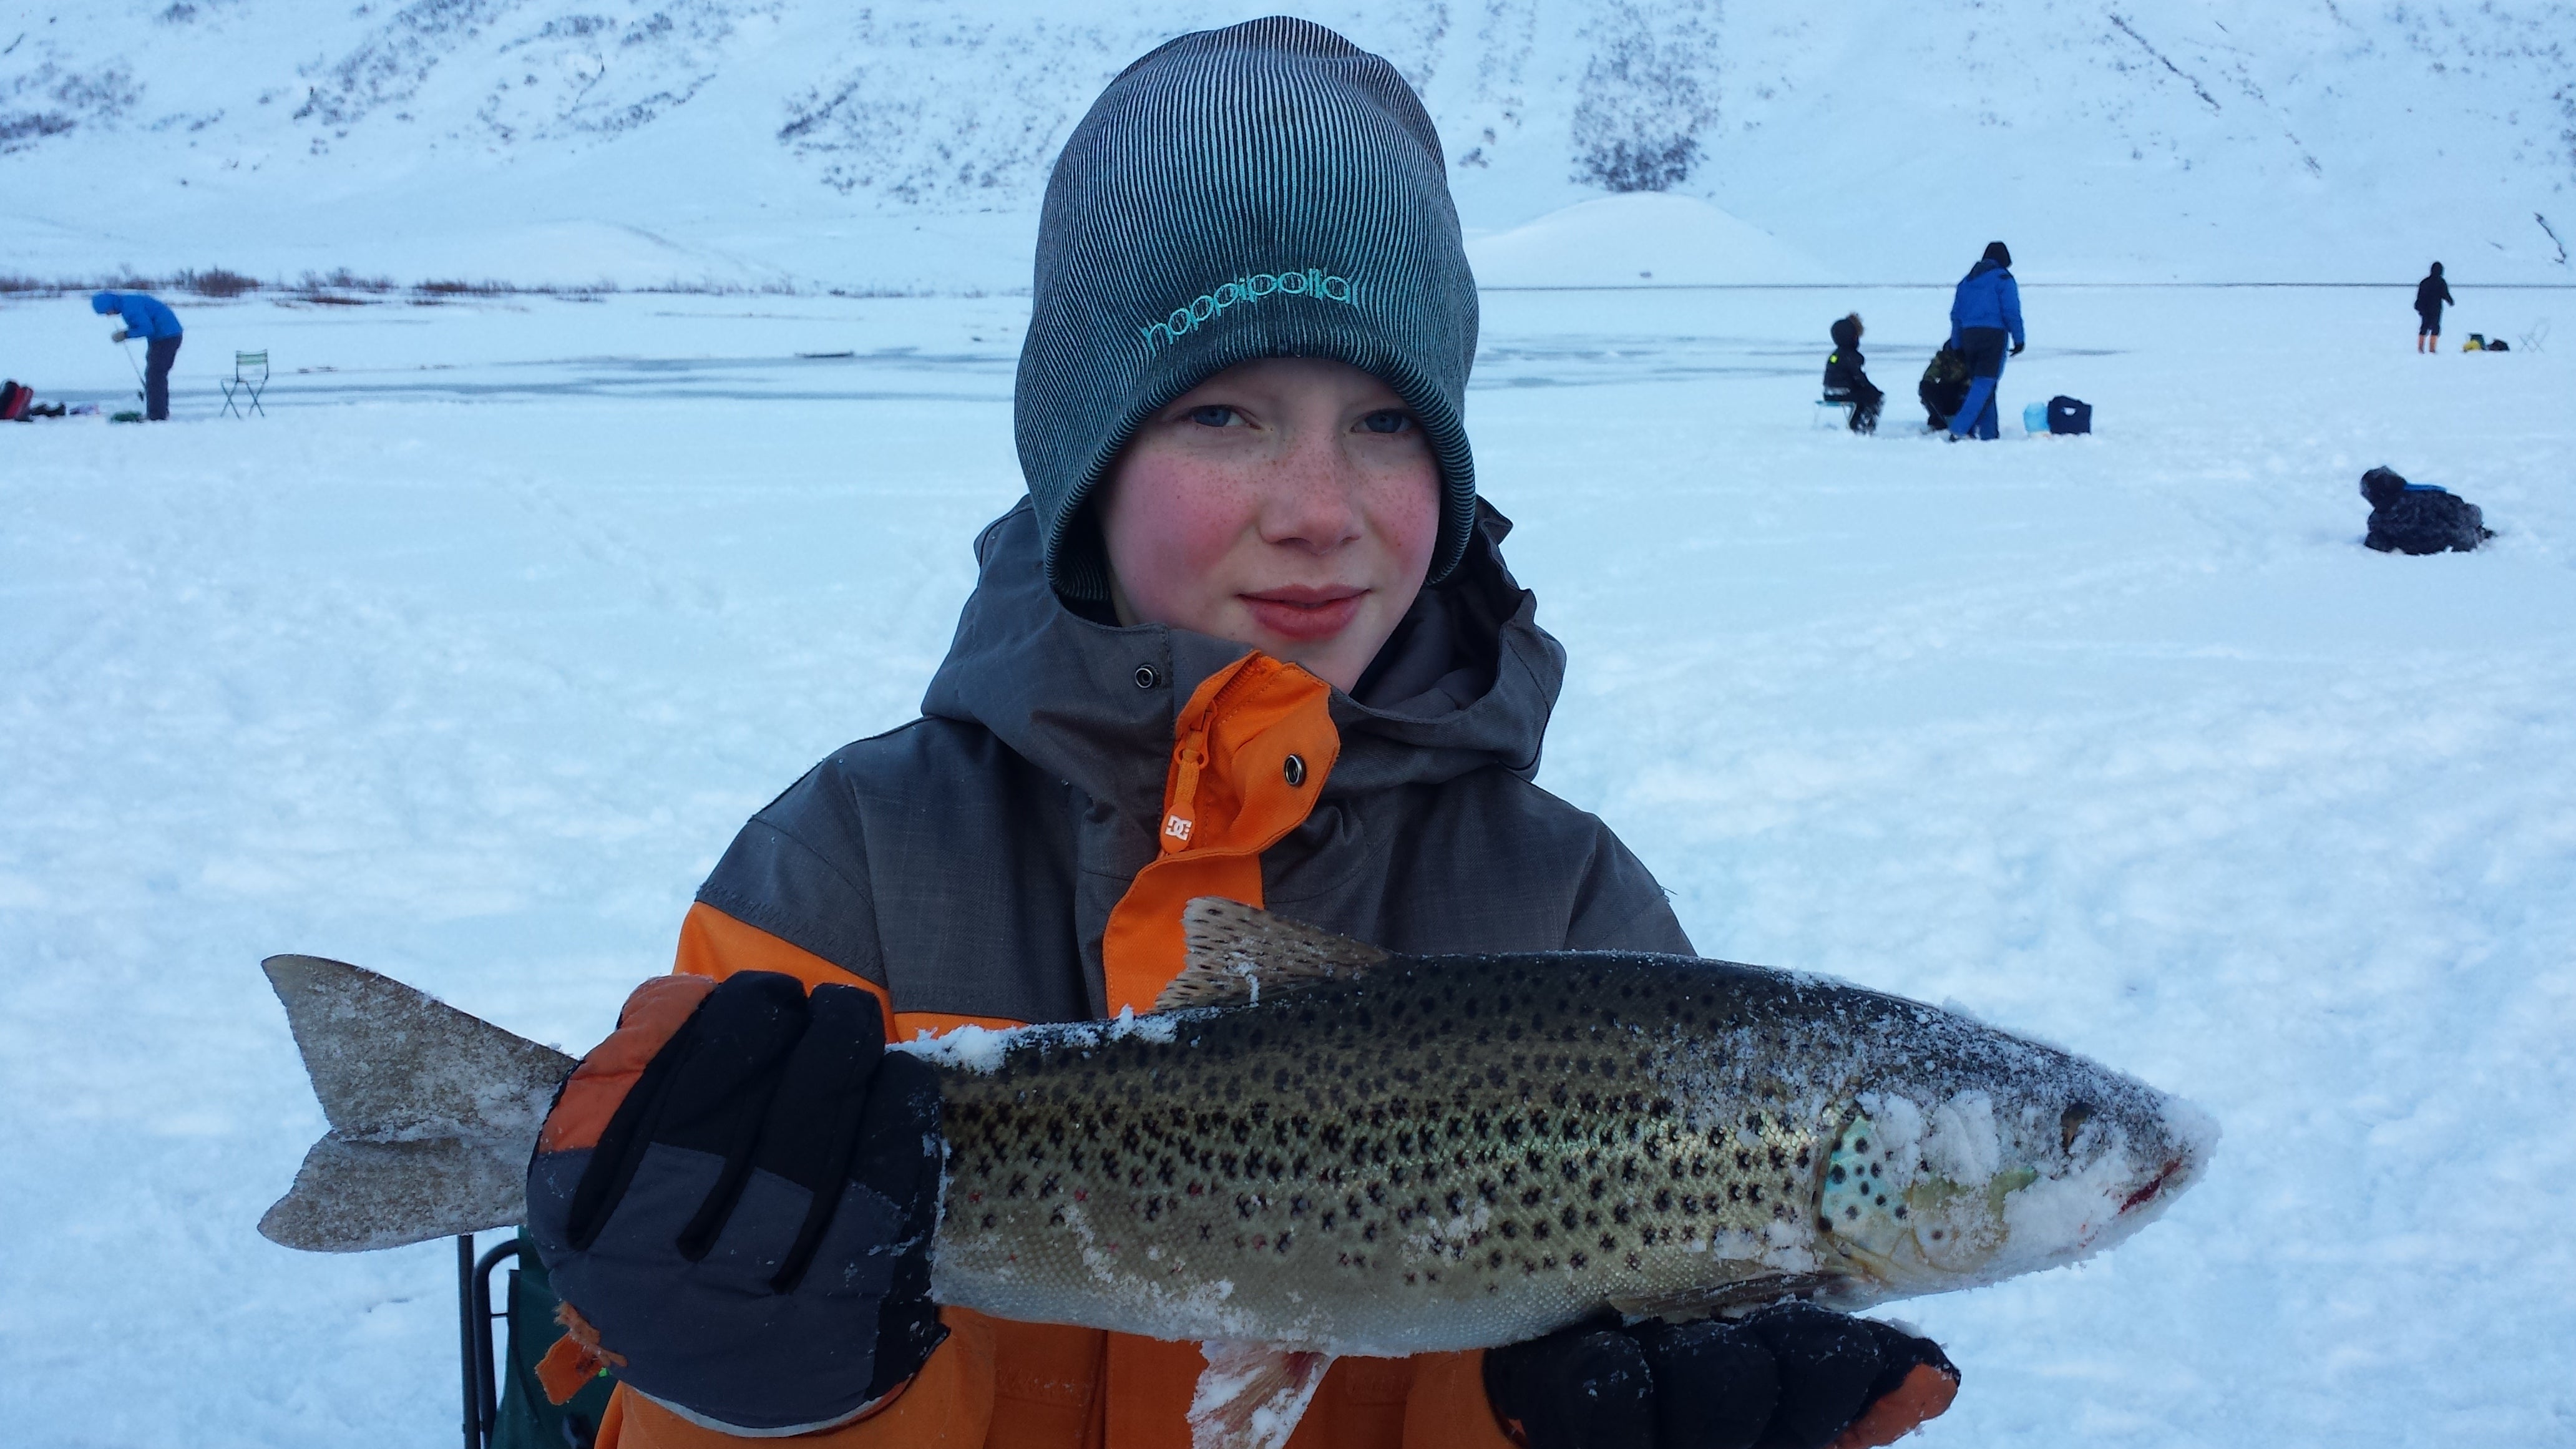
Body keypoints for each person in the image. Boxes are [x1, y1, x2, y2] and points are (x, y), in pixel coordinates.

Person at [512, 21, 1963, 1449]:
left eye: (1388, 422)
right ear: (1085, 466)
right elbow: (636, 1375)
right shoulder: (846, 869)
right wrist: (755, 1394)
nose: (1320, 507)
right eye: (1223, 414)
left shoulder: (1574, 907)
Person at [1944, 242, 2022, 441]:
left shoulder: (1967, 282)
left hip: (1969, 337)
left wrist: (1957, 344)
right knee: (1984, 383)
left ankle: (1989, 433)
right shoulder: (2004, 279)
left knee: (1985, 385)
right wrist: (2019, 339)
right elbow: (2011, 312)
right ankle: (1959, 429)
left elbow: (1956, 315)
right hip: (1993, 336)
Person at [89, 290, 183, 421]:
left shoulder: (130, 307)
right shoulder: (127, 302)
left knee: (155, 375)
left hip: (167, 337)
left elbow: (146, 328)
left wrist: (126, 334)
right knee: (155, 374)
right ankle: (159, 412)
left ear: (110, 305)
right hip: (162, 337)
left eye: (107, 312)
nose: (108, 315)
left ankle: (157, 416)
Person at [2360, 466, 2491, 554]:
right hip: (2462, 539)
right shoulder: (2430, 495)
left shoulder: (2379, 521)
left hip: (2433, 548)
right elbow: (2464, 510)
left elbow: (2379, 544)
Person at [1822, 313, 1883, 434]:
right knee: (1874, 397)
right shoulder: (1852, 356)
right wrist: (1873, 390)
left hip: (1828, 392)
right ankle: (1864, 427)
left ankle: (1855, 424)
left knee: (1863, 396)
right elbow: (1859, 378)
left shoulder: (1835, 355)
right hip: (1843, 393)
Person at [1917, 344, 1971, 431]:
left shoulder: (1972, 356)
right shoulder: (1945, 355)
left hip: (1962, 393)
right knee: (1925, 387)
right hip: (1946, 391)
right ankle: (1938, 421)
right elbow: (1930, 375)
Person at [2413, 263, 2453, 353]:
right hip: (2436, 309)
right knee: (2435, 328)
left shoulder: (2425, 282)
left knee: (2424, 326)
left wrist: (2419, 307)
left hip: (2425, 308)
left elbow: (2420, 296)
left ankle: (2421, 348)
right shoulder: (2441, 282)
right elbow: (2445, 294)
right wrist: (2450, 301)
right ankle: (2432, 349)